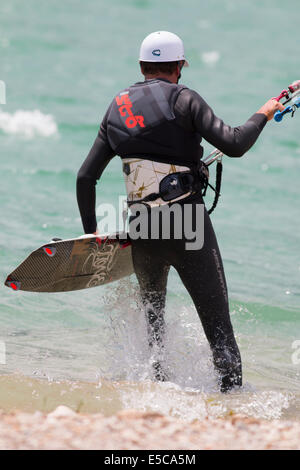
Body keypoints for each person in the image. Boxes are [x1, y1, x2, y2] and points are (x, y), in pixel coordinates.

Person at [76, 31, 284, 392]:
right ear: (179, 68)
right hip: (187, 224)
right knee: (220, 336)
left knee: (154, 335)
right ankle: (233, 413)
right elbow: (234, 143)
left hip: (141, 229)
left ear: (142, 67)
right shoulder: (184, 99)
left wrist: (94, 236)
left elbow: (85, 177)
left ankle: (155, 404)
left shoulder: (116, 107)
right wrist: (264, 112)